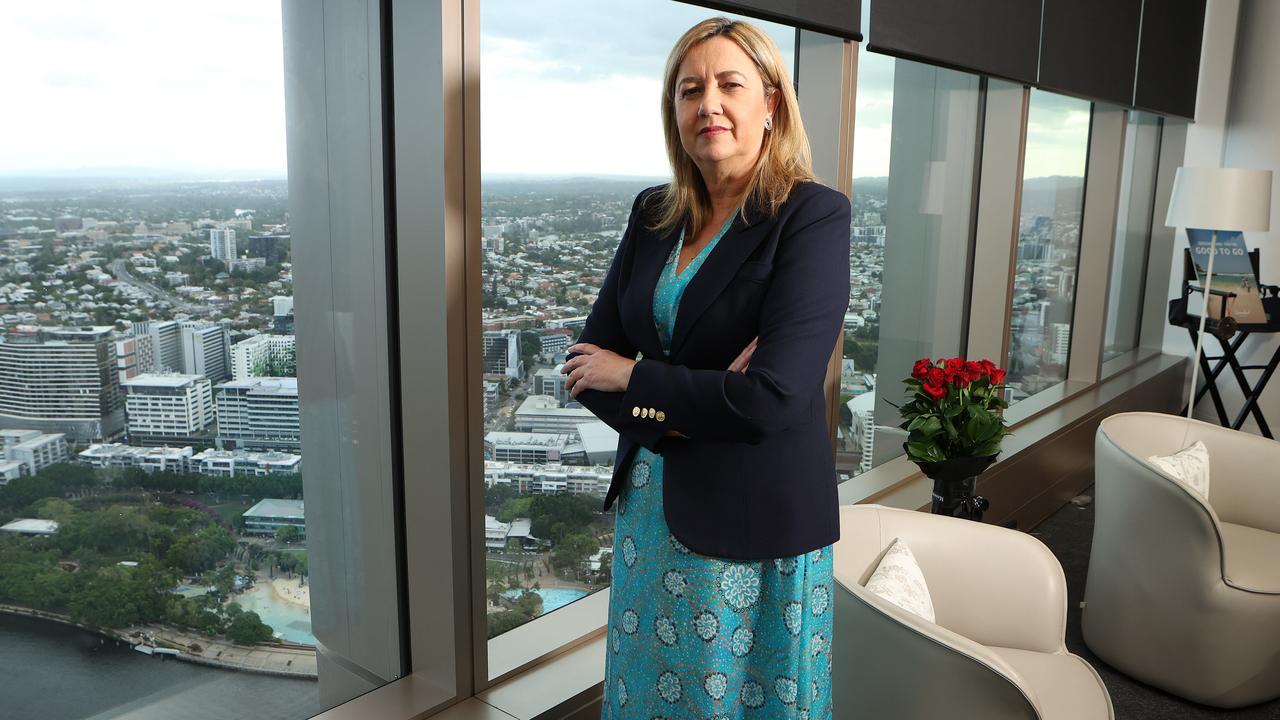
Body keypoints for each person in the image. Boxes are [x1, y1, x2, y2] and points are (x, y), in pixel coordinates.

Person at [560, 16, 850, 718]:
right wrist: (704, 401)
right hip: (652, 518)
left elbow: (773, 400)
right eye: (690, 90)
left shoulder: (810, 217)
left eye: (729, 84)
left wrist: (636, 377)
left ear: (771, 102)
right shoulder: (654, 212)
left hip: (751, 523)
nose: (708, 104)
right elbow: (582, 364)